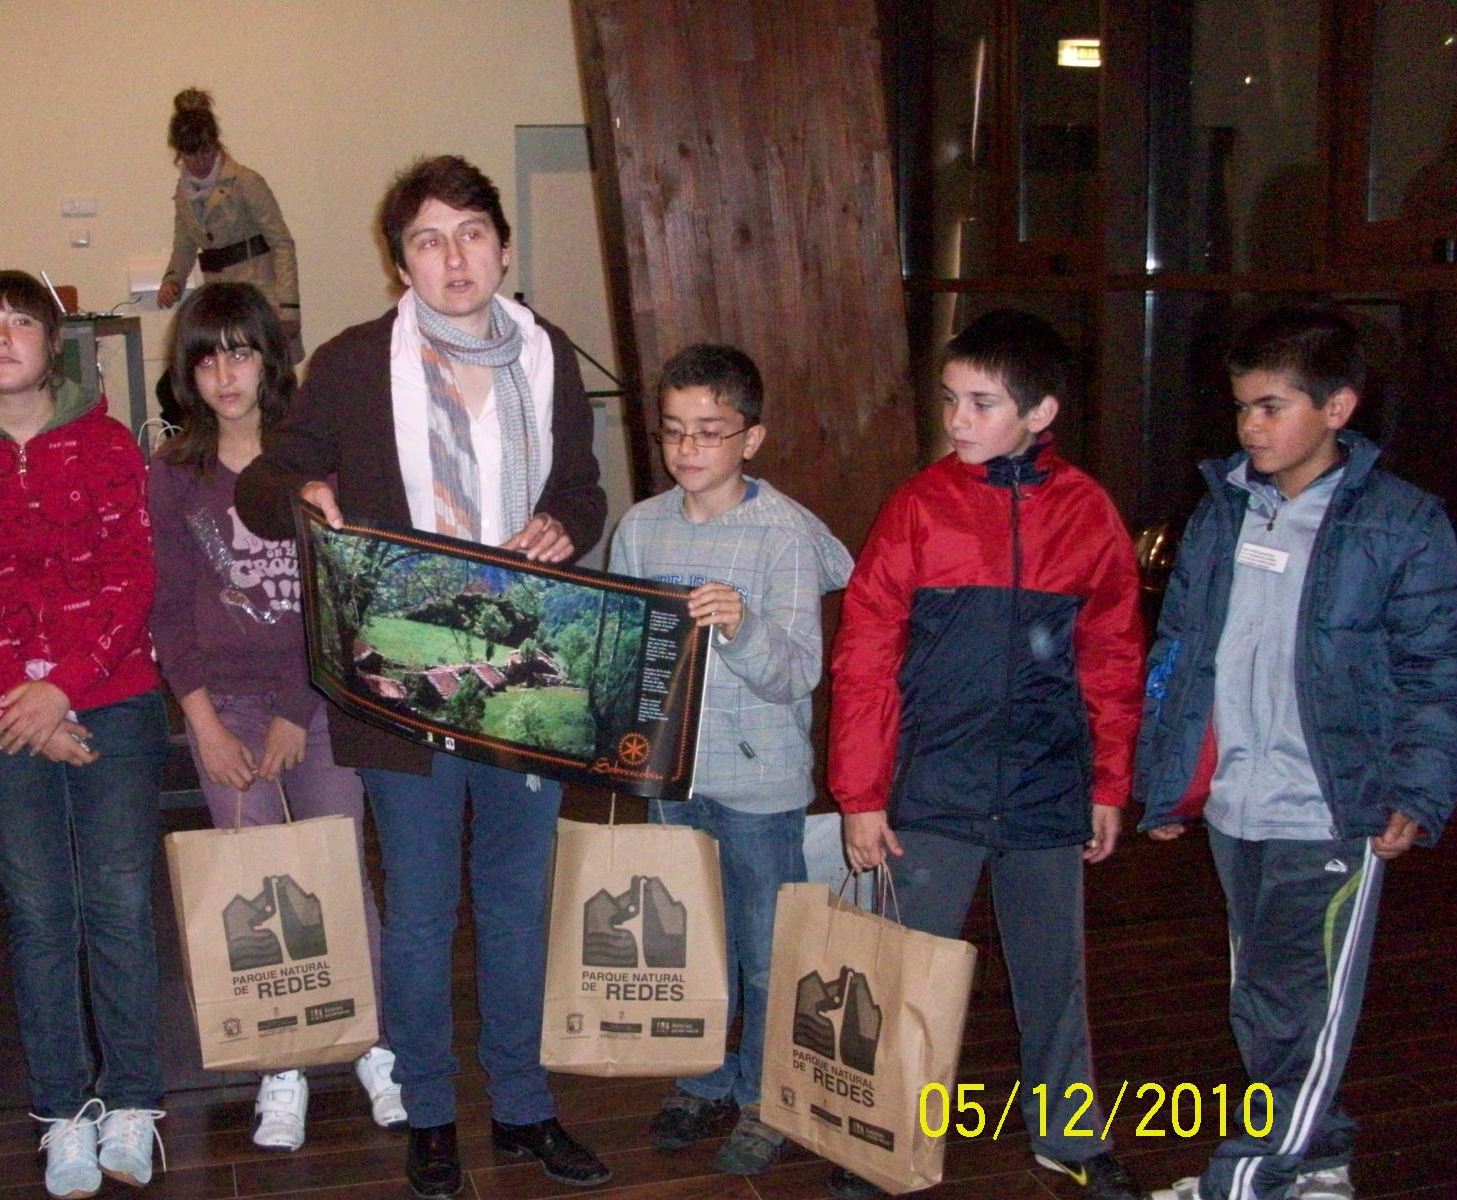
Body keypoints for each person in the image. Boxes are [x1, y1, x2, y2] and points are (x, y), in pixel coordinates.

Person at [234, 154, 608, 1200]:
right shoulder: (357, 363)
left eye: (472, 233)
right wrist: (303, 495)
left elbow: (585, 487)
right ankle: (431, 1112)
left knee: (518, 903)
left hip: (528, 670)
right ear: (400, 262)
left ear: (503, 248)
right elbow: (266, 479)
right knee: (422, 911)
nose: (454, 258)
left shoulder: (547, 354)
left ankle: (523, 1107)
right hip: (402, 676)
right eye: (428, 241)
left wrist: (566, 521)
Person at [828, 309, 1147, 1200]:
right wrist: (861, 793)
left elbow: (1115, 656)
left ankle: (1069, 1136)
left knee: (1054, 974)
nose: (957, 420)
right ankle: (885, 1135)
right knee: (910, 974)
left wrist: (1109, 782)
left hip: (1047, 783)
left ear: (1040, 413)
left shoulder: (1088, 514)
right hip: (935, 784)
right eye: (950, 400)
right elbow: (865, 655)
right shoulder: (918, 507)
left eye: (981, 403)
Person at [1139, 307, 1457, 1200]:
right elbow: (1178, 653)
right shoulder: (1223, 511)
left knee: (1300, 1006)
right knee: (1265, 1001)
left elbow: (1437, 671)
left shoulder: (1403, 525)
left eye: (1271, 406)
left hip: (1333, 808)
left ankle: (1248, 1179)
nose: (1250, 426)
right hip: (1236, 803)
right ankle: (1318, 1159)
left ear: (1338, 408)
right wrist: (1168, 778)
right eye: (1242, 406)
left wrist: (1418, 791)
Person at [0, 271, 168, 1199]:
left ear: (54, 344)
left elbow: (134, 574)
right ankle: (62, 1113)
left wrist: (65, 691)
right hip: (0, 716)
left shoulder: (104, 442)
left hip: (113, 698)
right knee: (41, 914)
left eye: (21, 322)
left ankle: (132, 1100)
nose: (2, 337)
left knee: (120, 902)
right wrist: (25, 703)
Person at [146, 280, 403, 1150]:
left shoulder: (311, 466)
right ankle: (281, 1062)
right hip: (222, 705)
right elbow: (168, 609)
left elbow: (341, 596)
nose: (226, 375)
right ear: (187, 373)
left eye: (242, 353)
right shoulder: (174, 476)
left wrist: (299, 709)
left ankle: (374, 1043)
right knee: (256, 879)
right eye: (207, 359)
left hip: (318, 701)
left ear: (269, 361)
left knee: (338, 863)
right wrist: (205, 723)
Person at [609, 344, 852, 1177]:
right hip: (671, 776)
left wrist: (742, 626)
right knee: (691, 943)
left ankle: (763, 1096)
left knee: (766, 950)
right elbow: (625, 655)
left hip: (759, 783)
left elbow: (798, 674)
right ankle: (704, 1078)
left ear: (751, 438)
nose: (688, 448)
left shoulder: (782, 535)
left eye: (710, 431)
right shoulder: (641, 527)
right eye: (674, 430)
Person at [157, 88, 302, 365]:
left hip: (260, 295)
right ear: (179, 154)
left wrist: (288, 309)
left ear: (215, 144)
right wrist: (172, 281)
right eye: (191, 155)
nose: (200, 162)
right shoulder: (184, 193)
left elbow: (282, 243)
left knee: (263, 375)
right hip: (219, 298)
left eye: (205, 152)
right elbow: (184, 244)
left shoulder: (246, 181)